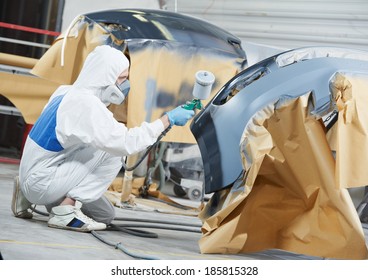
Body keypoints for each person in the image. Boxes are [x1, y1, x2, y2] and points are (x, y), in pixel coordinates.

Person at [11, 45, 195, 232]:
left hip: (32, 174)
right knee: (112, 152)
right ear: (105, 77)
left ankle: (25, 195)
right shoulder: (86, 104)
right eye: (122, 78)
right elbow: (126, 143)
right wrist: (167, 120)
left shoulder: (65, 92)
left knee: (104, 215)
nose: (125, 85)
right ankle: (65, 211)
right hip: (42, 184)